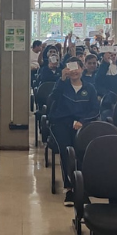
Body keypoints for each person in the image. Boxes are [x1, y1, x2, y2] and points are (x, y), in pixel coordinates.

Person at [47, 57, 99, 206]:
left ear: (82, 69)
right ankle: (69, 187)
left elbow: (95, 109)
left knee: (83, 151)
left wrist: (82, 121)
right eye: (71, 68)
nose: (74, 71)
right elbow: (52, 100)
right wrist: (62, 80)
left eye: (77, 67)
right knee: (66, 150)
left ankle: (82, 187)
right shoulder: (61, 86)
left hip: (83, 124)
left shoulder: (89, 88)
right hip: (62, 123)